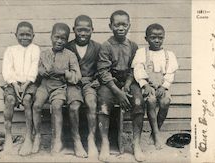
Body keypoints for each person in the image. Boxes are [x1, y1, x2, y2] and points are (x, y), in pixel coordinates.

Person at [97, 10, 145, 162]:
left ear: (129, 25)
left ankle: (136, 143)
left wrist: (128, 85)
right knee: (103, 103)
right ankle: (105, 143)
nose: (121, 28)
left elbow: (134, 69)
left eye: (124, 24)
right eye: (117, 25)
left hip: (129, 82)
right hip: (110, 83)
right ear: (110, 26)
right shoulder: (106, 46)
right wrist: (117, 92)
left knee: (138, 102)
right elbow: (103, 72)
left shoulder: (133, 46)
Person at [31, 23, 81, 154]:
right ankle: (37, 136)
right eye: (56, 37)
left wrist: (64, 72)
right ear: (51, 37)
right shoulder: (44, 53)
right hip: (45, 85)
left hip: (59, 86)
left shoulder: (70, 55)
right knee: (36, 106)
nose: (59, 41)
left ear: (67, 39)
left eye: (63, 38)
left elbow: (77, 76)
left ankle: (58, 139)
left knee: (57, 106)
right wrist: (41, 71)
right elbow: (37, 68)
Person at [132, 23, 178, 149]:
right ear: (146, 38)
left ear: (164, 38)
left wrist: (164, 86)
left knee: (165, 102)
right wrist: (144, 84)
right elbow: (138, 69)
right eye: (153, 37)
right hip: (149, 85)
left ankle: (155, 131)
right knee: (151, 101)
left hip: (163, 85)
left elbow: (170, 73)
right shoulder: (142, 52)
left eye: (160, 37)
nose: (157, 40)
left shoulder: (169, 54)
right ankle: (157, 134)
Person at [1, 21, 40, 156]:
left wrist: (26, 84)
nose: (24, 37)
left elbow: (34, 68)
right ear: (16, 35)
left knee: (27, 100)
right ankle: (8, 137)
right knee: (10, 99)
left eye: (28, 35)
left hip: (29, 83)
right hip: (13, 83)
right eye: (21, 34)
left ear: (33, 36)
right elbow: (7, 69)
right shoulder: (10, 50)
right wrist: (14, 84)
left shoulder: (35, 49)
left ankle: (29, 137)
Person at [66, 15, 101, 158]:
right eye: (79, 30)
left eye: (86, 30)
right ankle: (76, 140)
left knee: (92, 104)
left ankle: (91, 139)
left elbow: (103, 66)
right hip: (72, 84)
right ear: (74, 29)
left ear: (92, 30)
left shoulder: (97, 47)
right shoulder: (67, 47)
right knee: (74, 106)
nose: (83, 33)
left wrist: (99, 79)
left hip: (90, 83)